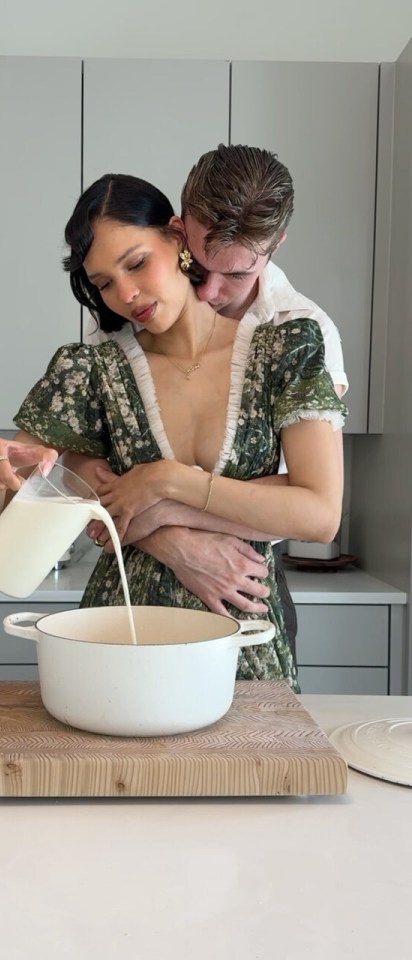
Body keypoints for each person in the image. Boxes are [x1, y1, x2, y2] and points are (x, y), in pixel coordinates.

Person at [0, 173, 347, 692]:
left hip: (240, 634)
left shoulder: (286, 347)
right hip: (119, 633)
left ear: (177, 237)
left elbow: (320, 516)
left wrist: (164, 487)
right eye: (102, 283)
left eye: (136, 263)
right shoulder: (91, 369)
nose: (125, 294)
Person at [66, 144, 348, 659]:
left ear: (275, 245)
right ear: (179, 230)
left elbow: (312, 508)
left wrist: (163, 494)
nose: (212, 291)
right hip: (136, 585)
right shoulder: (135, 307)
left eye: (237, 274)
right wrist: (170, 541)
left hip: (243, 574)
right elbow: (84, 460)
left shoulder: (302, 332)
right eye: (198, 266)